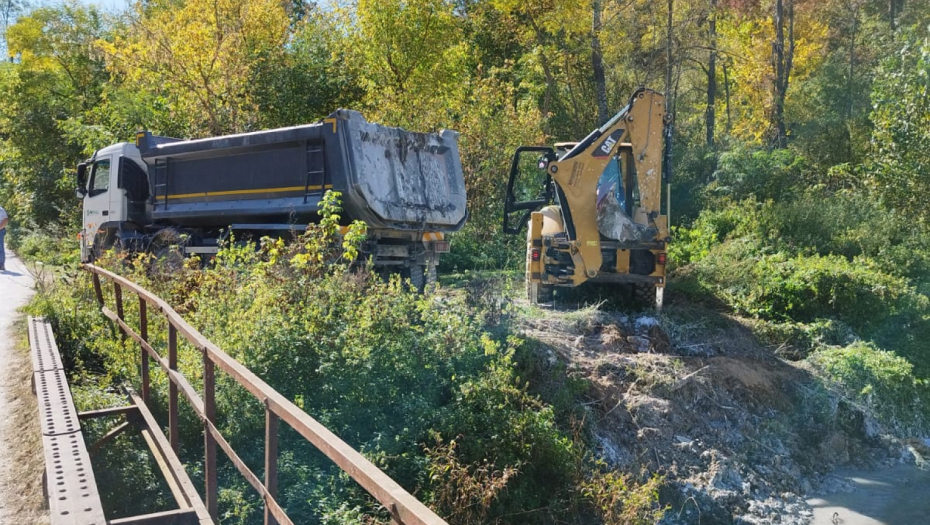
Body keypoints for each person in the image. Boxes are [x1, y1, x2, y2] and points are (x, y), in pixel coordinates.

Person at [0, 204, 7, 272]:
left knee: (0, 247)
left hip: (0, 230)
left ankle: (1, 264)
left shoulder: (1, 210)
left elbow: (5, 220)